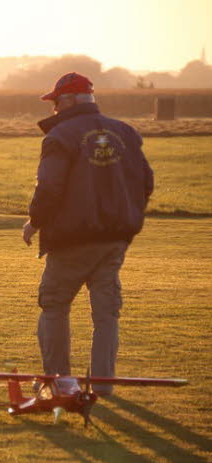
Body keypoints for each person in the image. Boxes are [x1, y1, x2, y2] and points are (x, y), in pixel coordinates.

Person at [22, 72, 154, 395]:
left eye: (55, 101)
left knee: (54, 305)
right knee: (106, 312)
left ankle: (61, 384)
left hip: (72, 239)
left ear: (67, 101)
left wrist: (34, 221)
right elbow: (146, 182)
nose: (53, 108)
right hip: (115, 240)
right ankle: (104, 385)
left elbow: (50, 187)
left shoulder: (60, 136)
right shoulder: (125, 132)